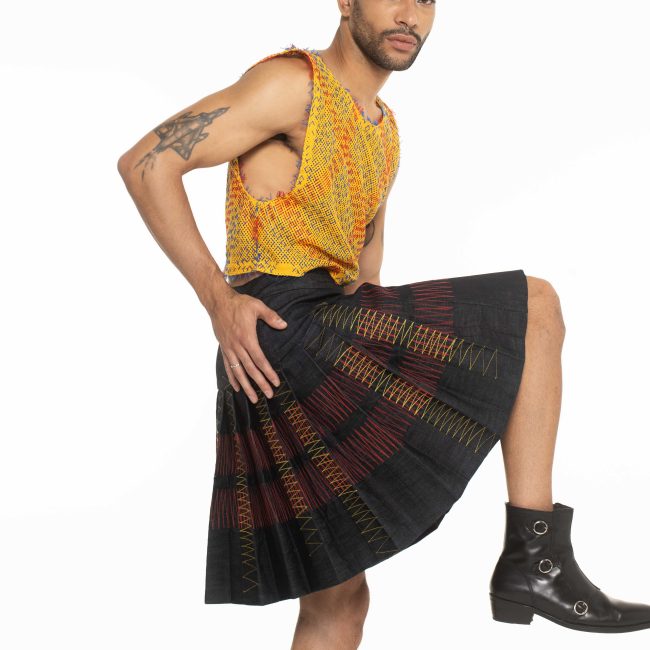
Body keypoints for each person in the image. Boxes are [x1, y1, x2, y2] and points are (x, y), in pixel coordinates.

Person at [118, 0, 650, 645]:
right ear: (346, 2)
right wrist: (218, 299)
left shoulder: (384, 131)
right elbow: (146, 162)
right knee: (534, 306)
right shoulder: (293, 84)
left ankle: (531, 563)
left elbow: (362, 283)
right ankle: (537, 561)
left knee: (340, 604)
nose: (409, 14)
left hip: (305, 341)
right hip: (283, 331)